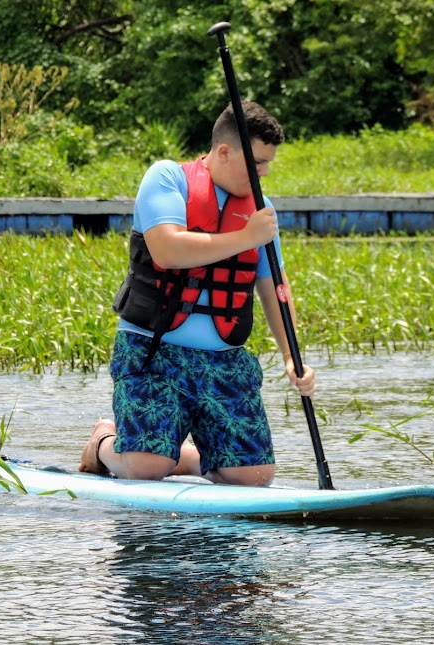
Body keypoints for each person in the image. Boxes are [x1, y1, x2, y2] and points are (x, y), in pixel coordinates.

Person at [79, 101, 315, 487]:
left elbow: (274, 286)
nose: (265, 173)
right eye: (257, 162)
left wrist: (292, 356)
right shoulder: (167, 178)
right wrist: (247, 236)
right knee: (145, 469)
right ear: (224, 152)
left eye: (268, 163)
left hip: (224, 359)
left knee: (252, 478)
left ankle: (184, 457)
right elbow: (167, 250)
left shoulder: (260, 210)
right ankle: (103, 443)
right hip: (154, 351)